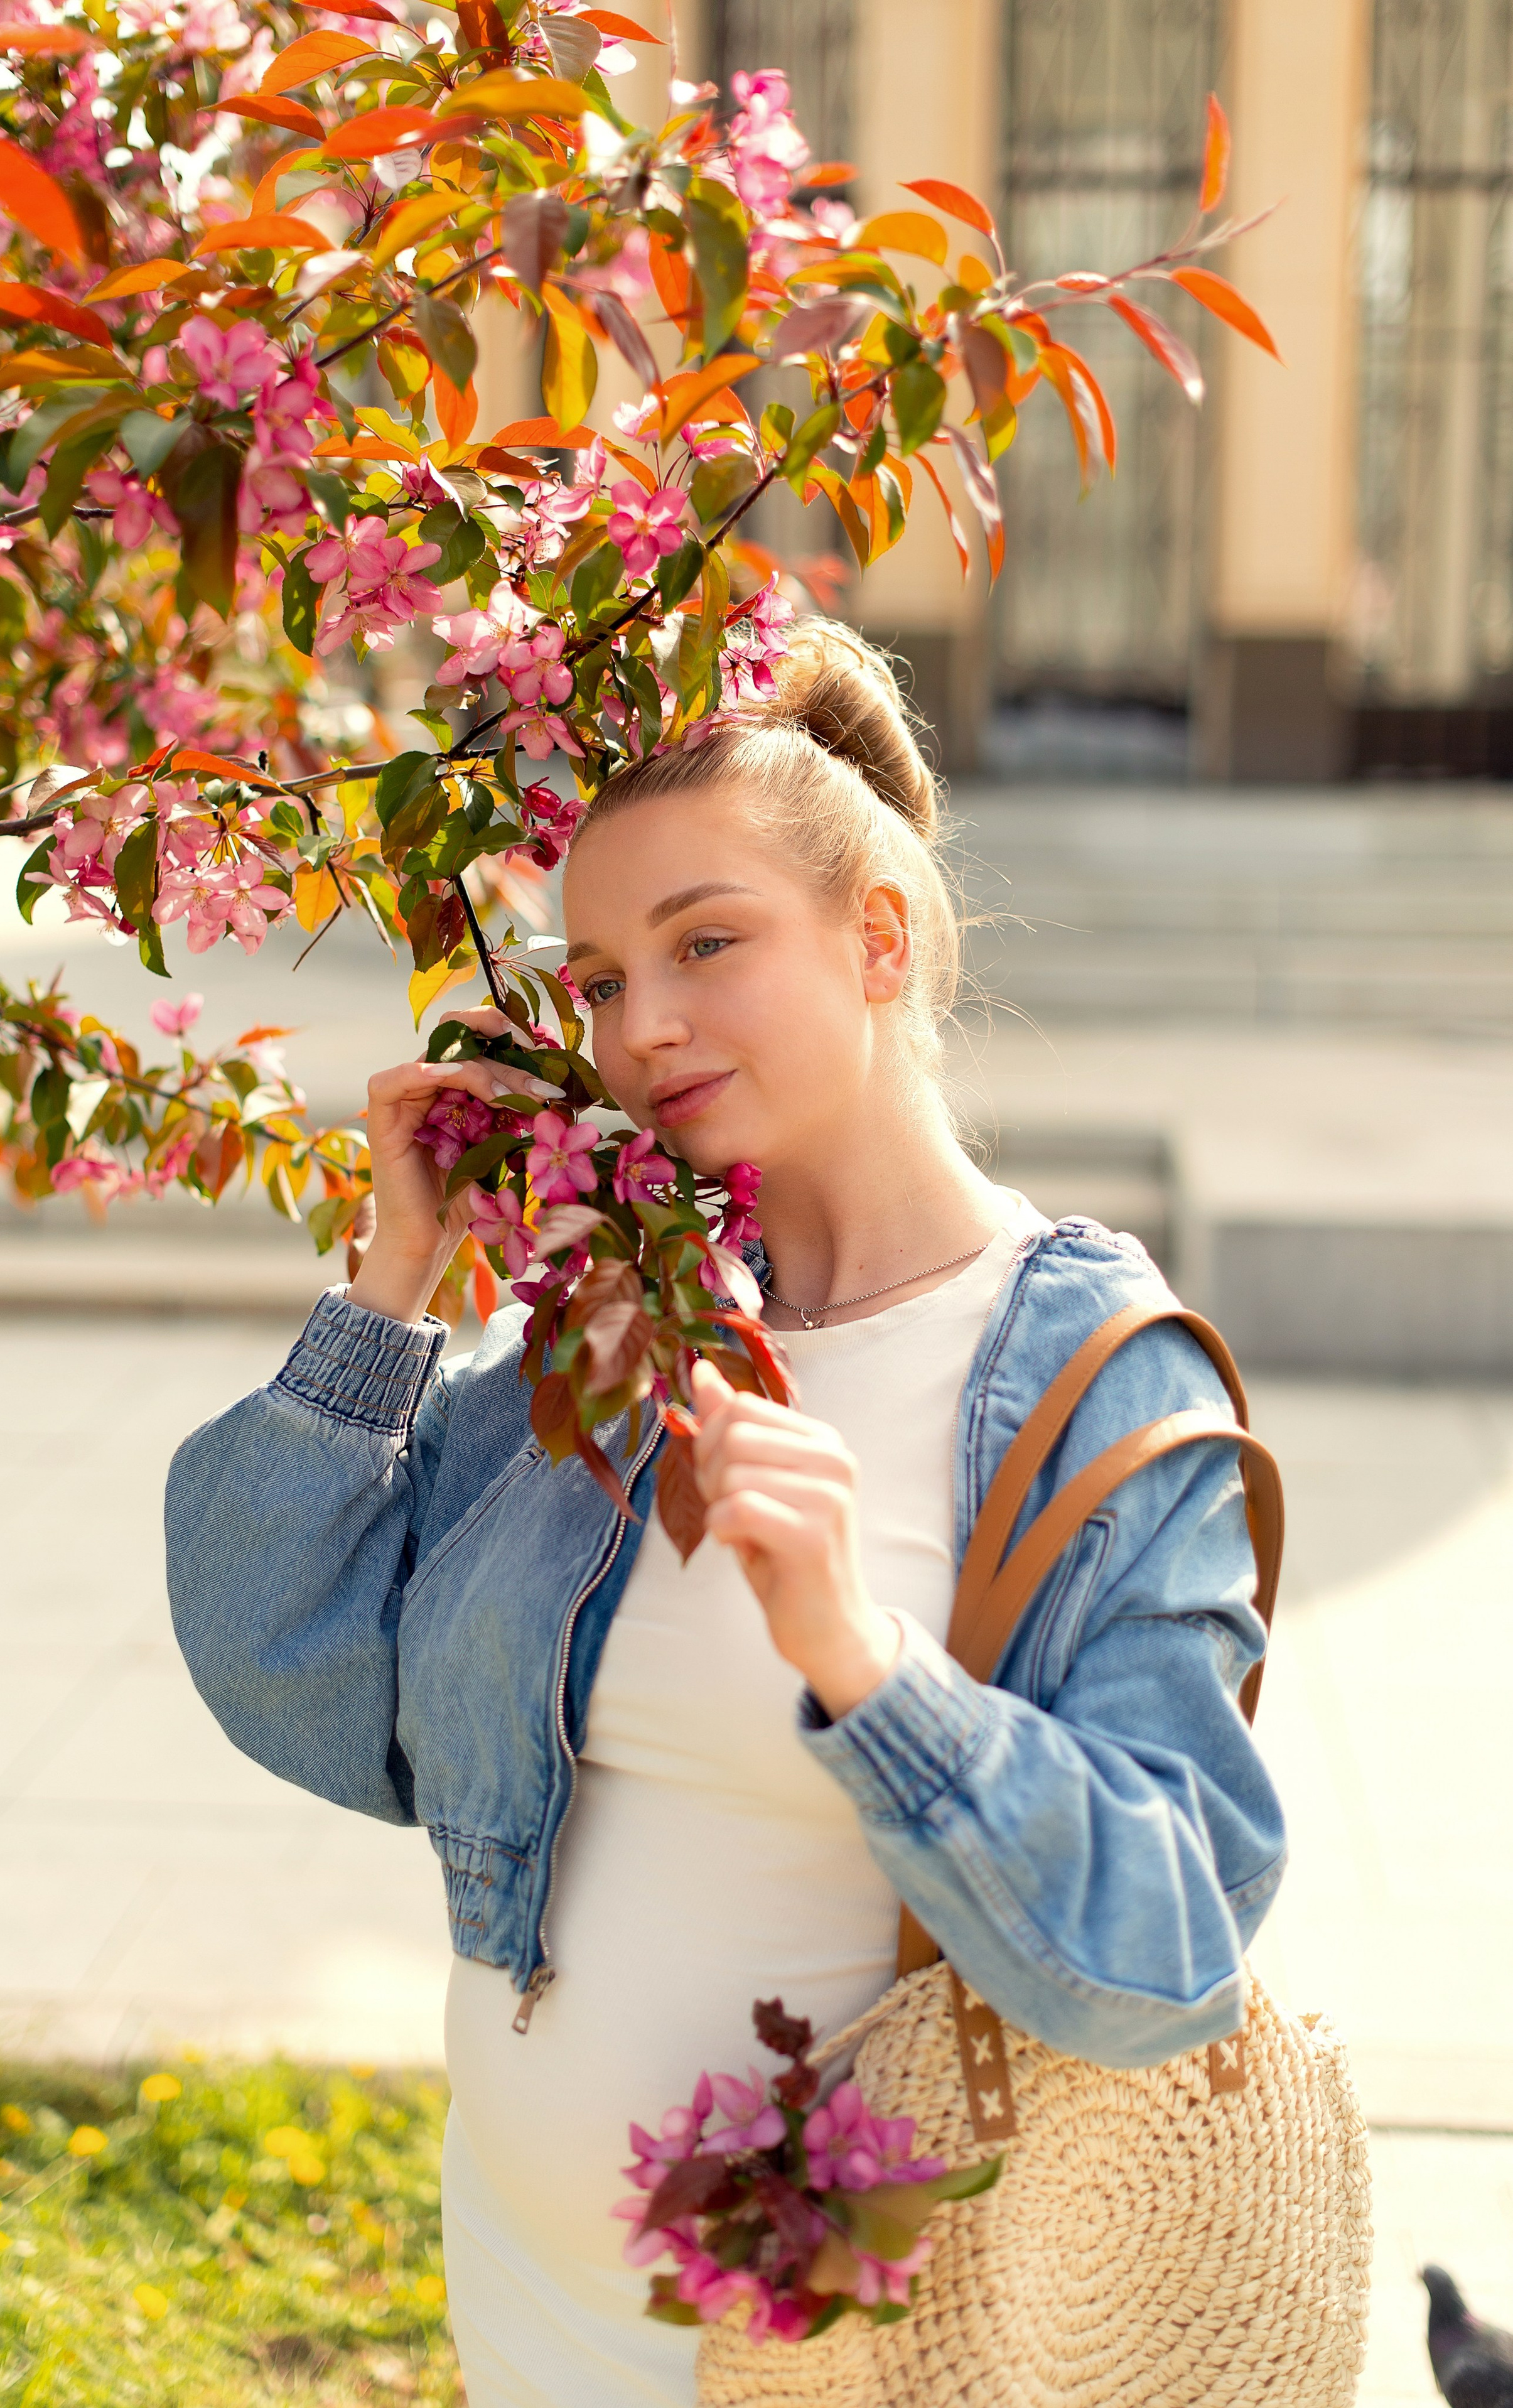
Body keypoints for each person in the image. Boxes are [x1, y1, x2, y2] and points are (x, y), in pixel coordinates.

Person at [166, 622, 1286, 2408]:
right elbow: (291, 1665)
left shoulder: (1085, 1370)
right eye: (599, 976)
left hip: (855, 2351)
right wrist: (391, 1284)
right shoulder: (629, 1320)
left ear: (881, 936)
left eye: (708, 941)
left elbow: (1170, 1949)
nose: (642, 1023)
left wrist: (863, 1656)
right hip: (531, 2299)